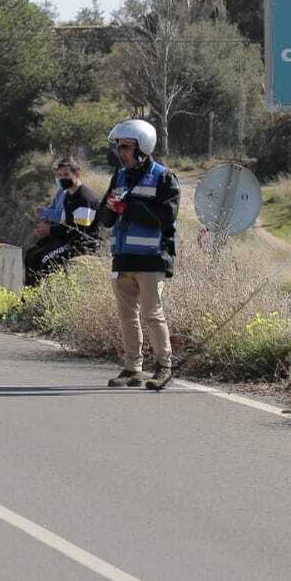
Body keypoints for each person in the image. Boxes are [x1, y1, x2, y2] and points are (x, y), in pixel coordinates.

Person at [97, 118, 180, 390]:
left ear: (142, 148)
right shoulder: (119, 176)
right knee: (127, 316)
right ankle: (133, 368)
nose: (121, 152)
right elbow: (106, 219)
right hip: (123, 259)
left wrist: (127, 207)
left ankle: (164, 366)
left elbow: (166, 218)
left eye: (126, 147)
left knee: (152, 315)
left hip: (151, 260)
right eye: (119, 146)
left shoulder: (164, 177)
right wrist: (110, 208)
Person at [24, 157, 101, 286]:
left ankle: (42, 300)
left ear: (76, 174)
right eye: (59, 175)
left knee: (45, 259)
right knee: (32, 255)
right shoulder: (68, 195)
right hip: (67, 239)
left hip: (81, 244)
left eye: (66, 175)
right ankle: (28, 297)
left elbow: (79, 231)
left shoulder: (84, 198)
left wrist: (50, 230)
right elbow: (65, 223)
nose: (62, 178)